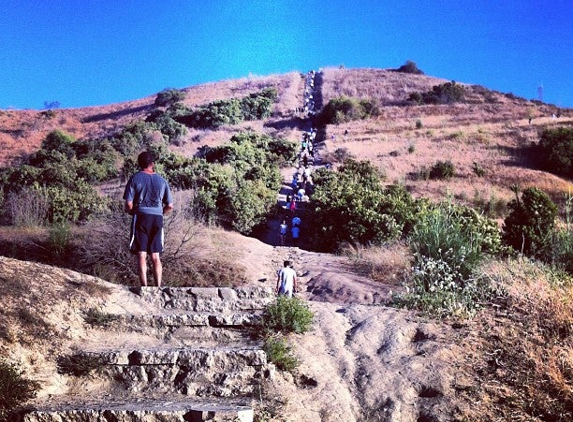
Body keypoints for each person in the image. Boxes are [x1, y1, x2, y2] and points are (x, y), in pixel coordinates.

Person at [124, 151, 174, 287]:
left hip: (141, 217)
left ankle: (144, 288)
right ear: (153, 164)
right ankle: (158, 286)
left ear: (139, 164)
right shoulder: (162, 180)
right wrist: (160, 213)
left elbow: (128, 204)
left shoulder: (135, 178)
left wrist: (132, 212)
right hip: (157, 218)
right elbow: (170, 205)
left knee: (141, 254)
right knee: (155, 256)